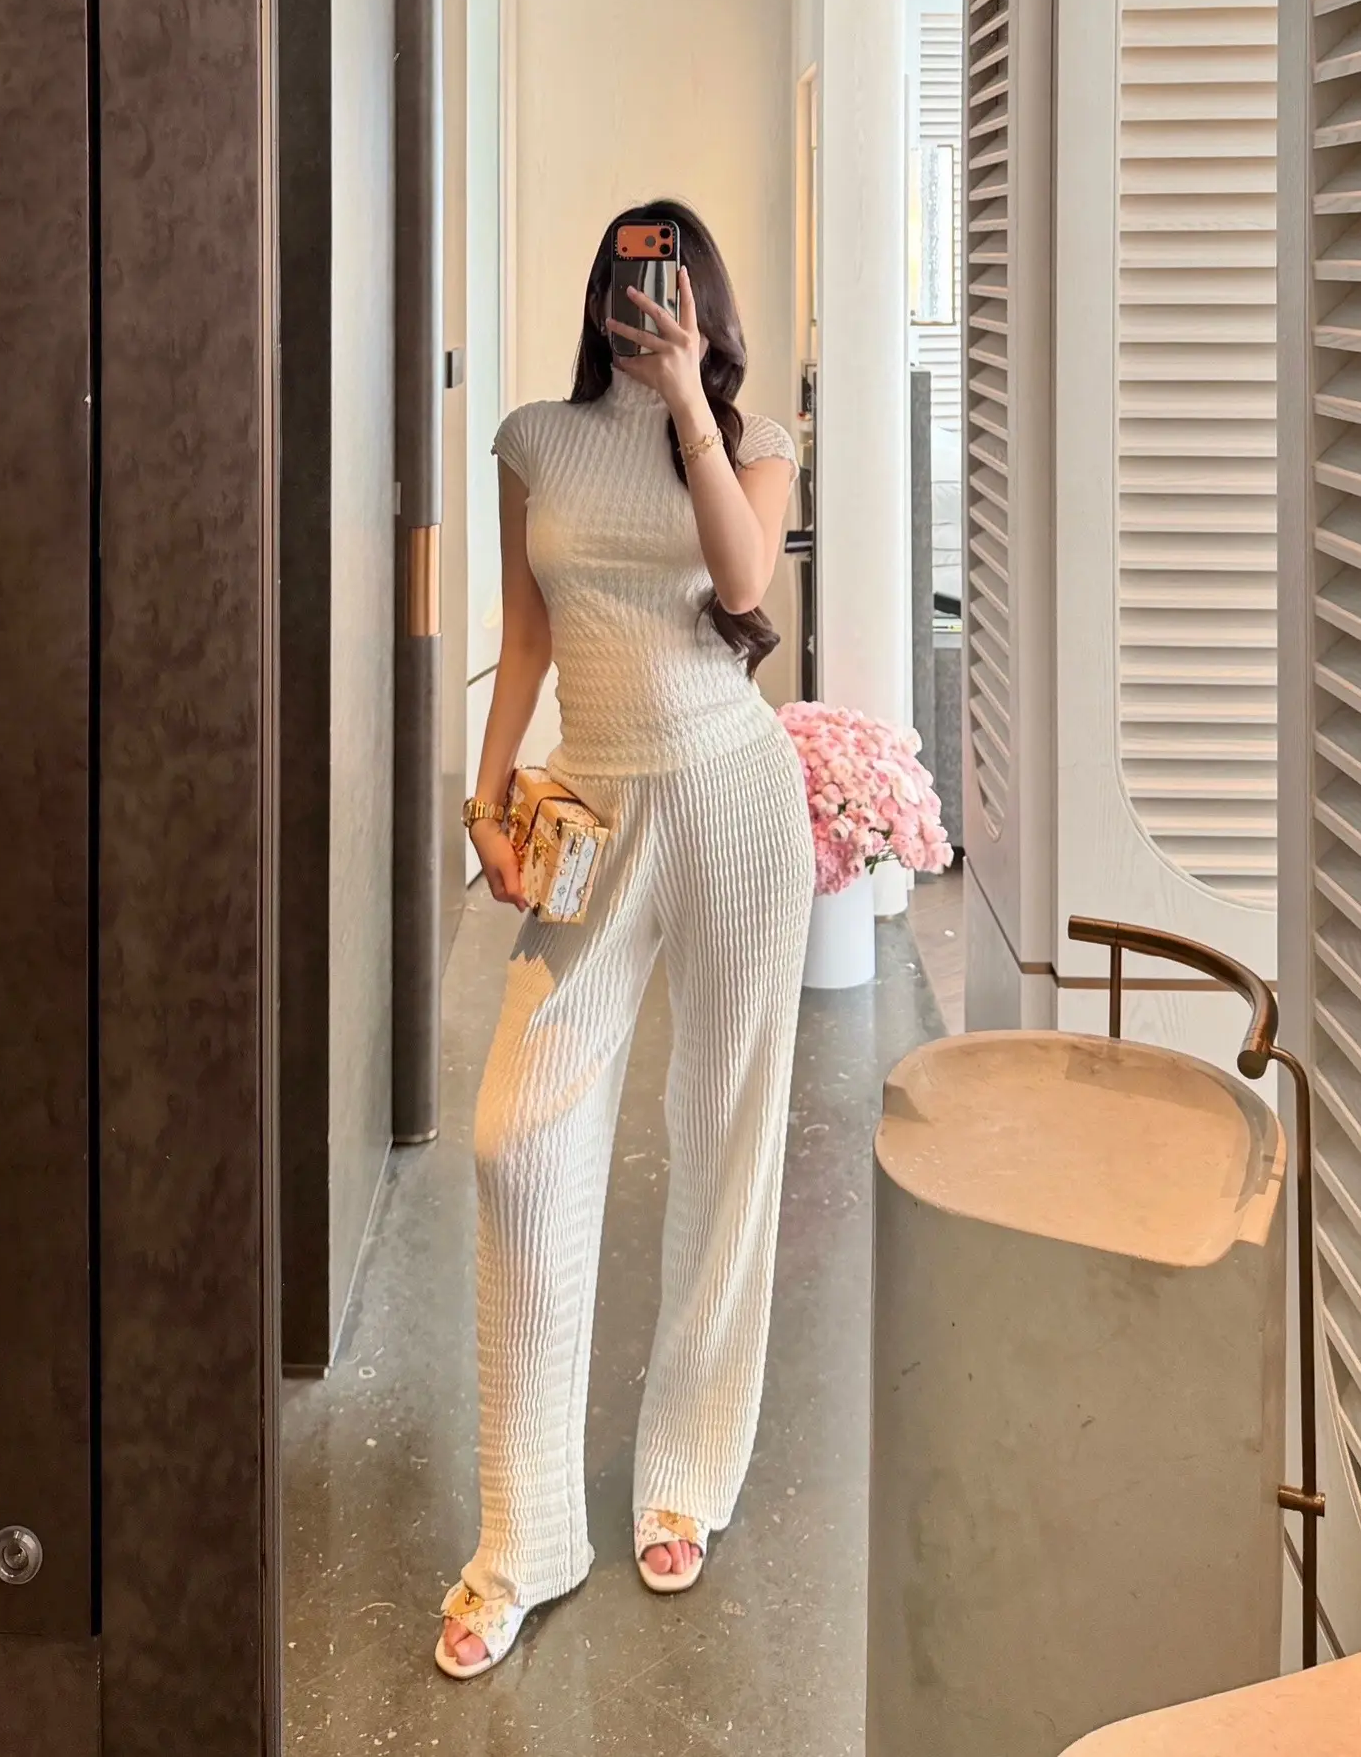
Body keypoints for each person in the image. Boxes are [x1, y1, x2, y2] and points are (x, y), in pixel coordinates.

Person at [436, 198, 813, 1679]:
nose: (644, 291)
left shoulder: (752, 437)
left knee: (726, 1133)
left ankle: (686, 1469)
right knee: (517, 1140)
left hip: (733, 802)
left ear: (698, 294)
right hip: (589, 809)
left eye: (669, 272)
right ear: (602, 287)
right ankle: (522, 1537)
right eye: (626, 268)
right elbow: (527, 638)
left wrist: (689, 405)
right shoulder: (534, 439)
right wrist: (483, 798)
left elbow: (743, 584)